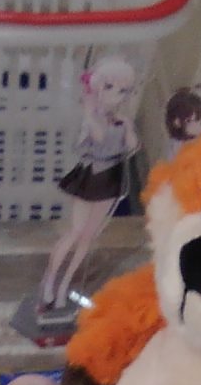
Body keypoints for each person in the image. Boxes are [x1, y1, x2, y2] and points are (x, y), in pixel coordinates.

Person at [36, 54, 143, 310]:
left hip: (111, 178)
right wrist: (89, 112)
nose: (116, 95)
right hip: (91, 175)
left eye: (122, 90)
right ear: (97, 87)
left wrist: (128, 128)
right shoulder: (89, 117)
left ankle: (65, 285)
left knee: (88, 237)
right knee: (75, 232)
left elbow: (132, 147)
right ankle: (50, 280)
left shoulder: (121, 119)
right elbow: (98, 136)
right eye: (110, 87)